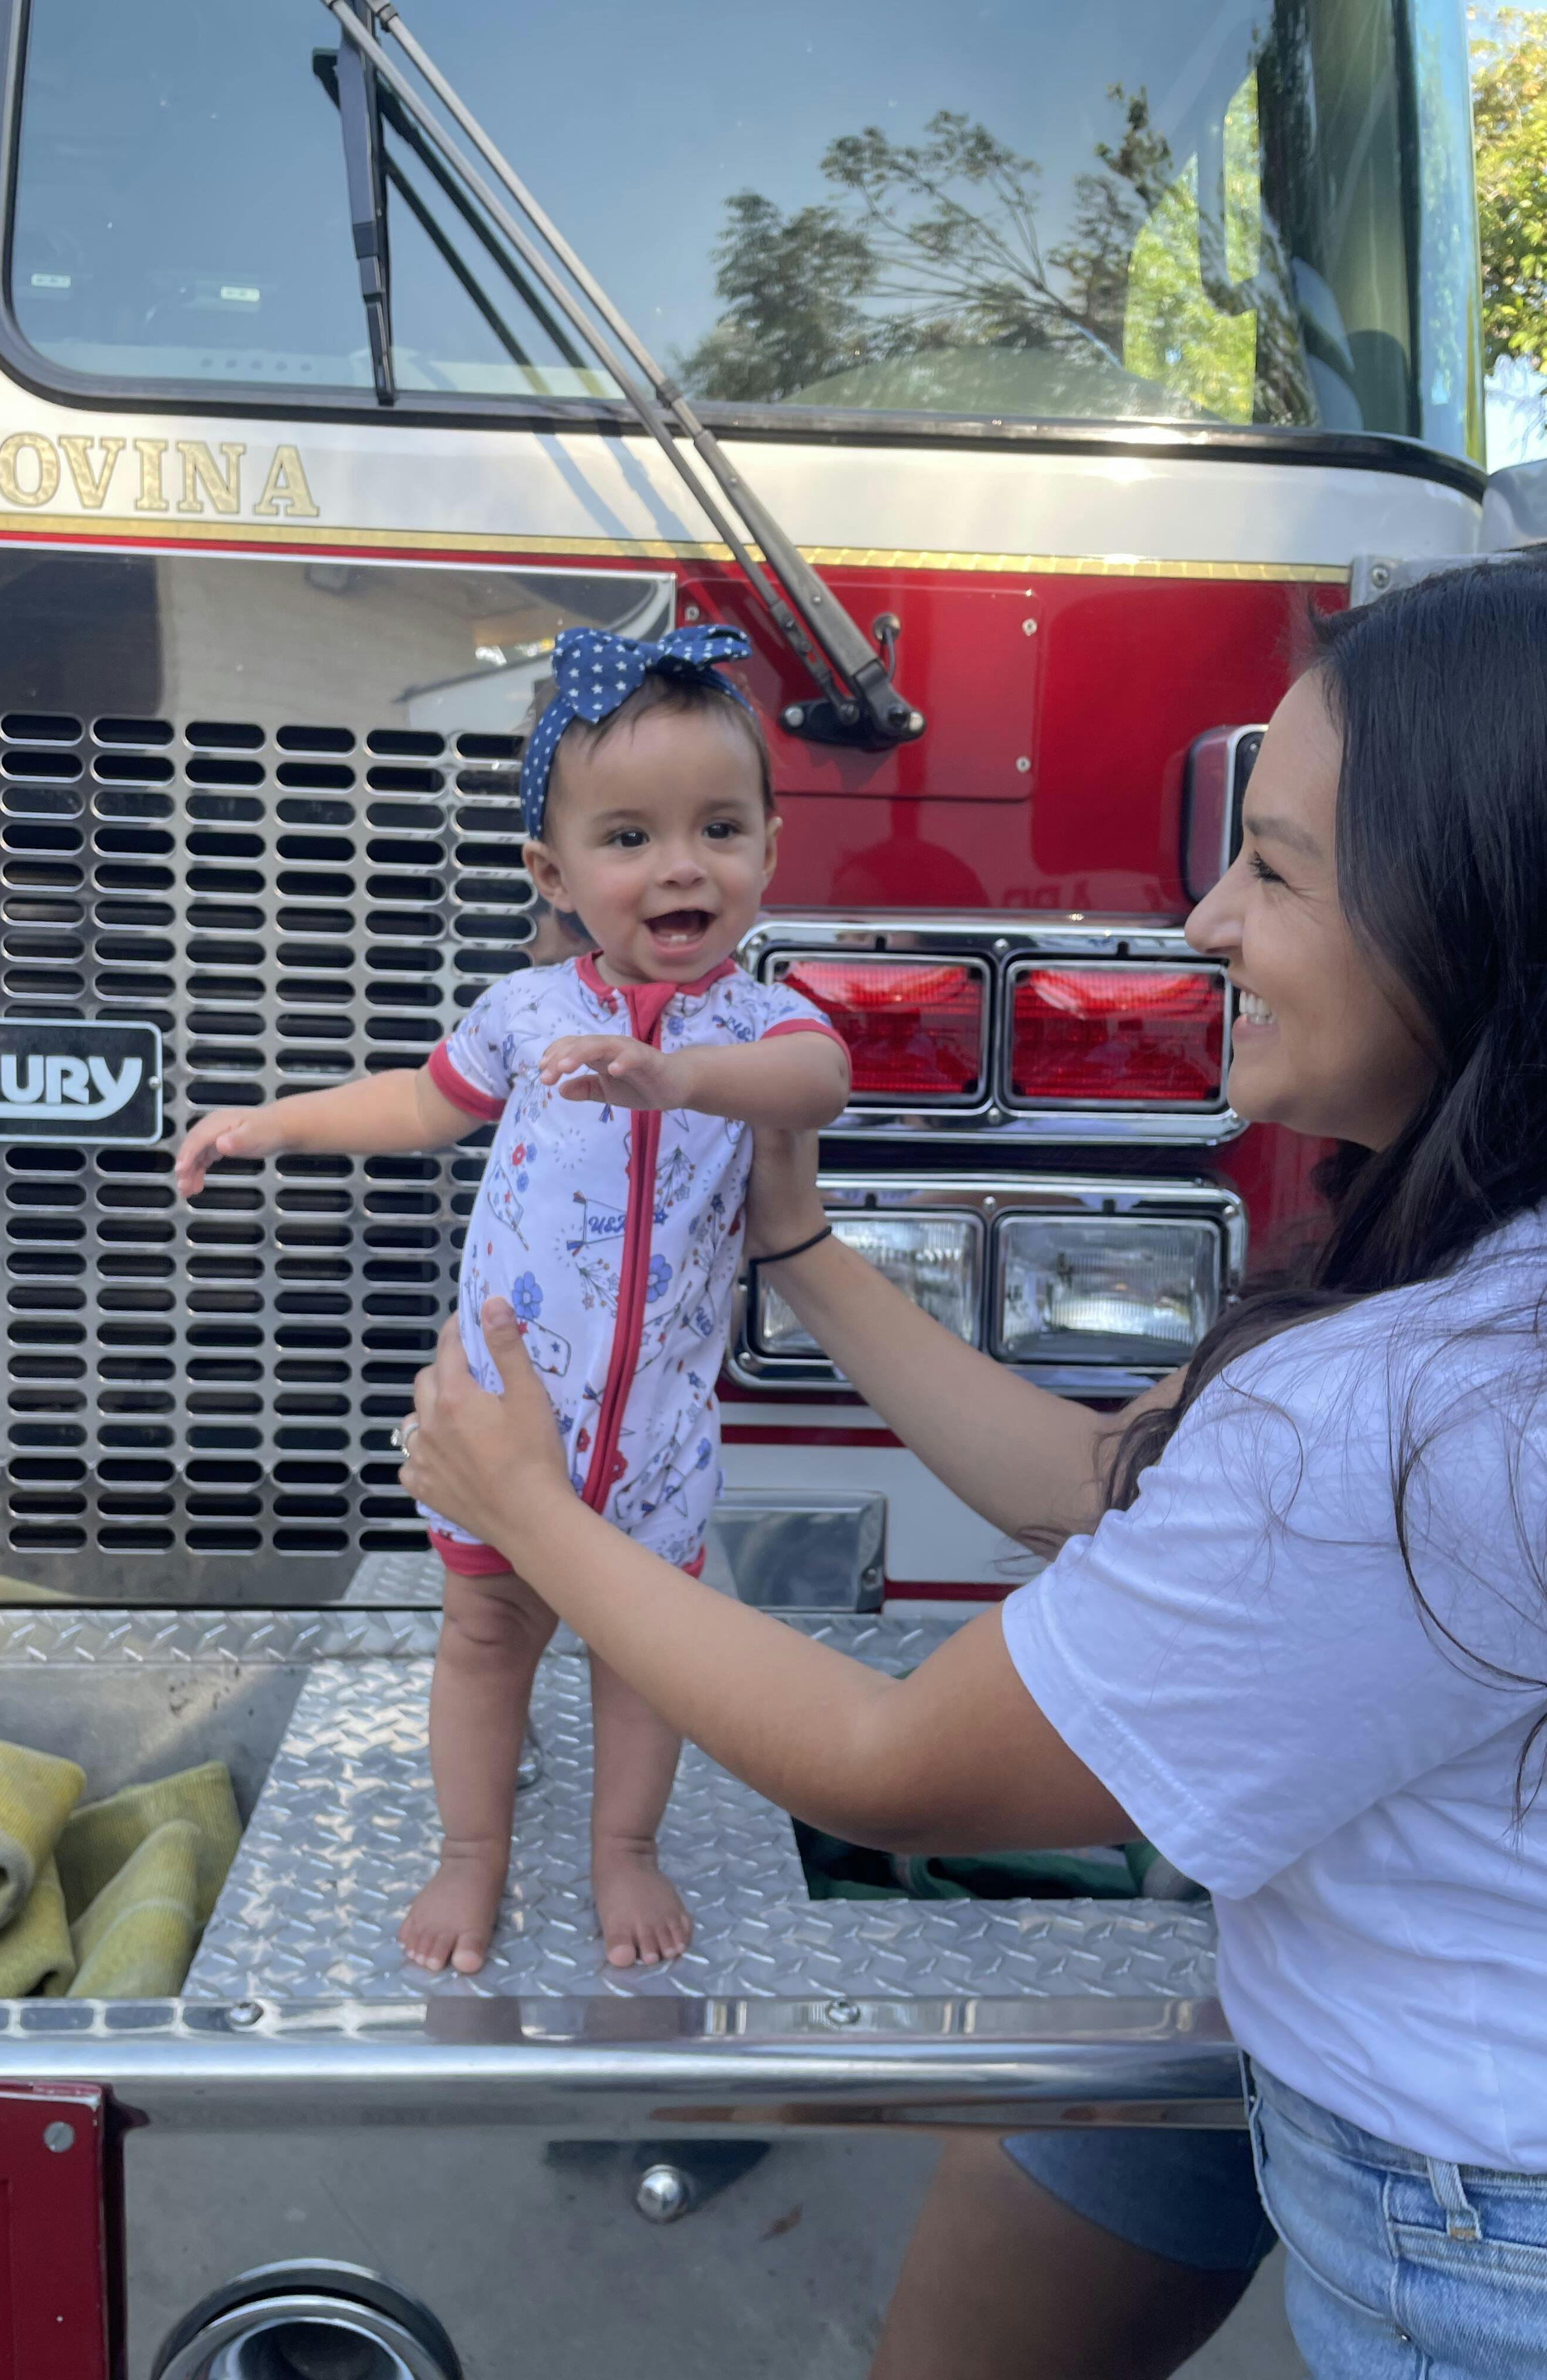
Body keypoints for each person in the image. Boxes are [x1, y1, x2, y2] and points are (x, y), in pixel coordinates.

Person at [398, 561, 1547, 2378]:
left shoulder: (1421, 1416)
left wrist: (524, 1505)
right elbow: (1101, 1485)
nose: (1205, 922)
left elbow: (897, 1769)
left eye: (1274, 871)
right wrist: (800, 1250)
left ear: (1480, 920)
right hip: (1337, 2037)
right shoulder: (1478, 1300)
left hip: (1469, 2230)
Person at [176, 624, 849, 1976]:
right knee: (484, 1639)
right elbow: (420, 1103)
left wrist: (680, 1080)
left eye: (720, 829)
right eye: (630, 837)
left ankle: (625, 1850)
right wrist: (273, 1123)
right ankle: (471, 1852)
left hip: (655, 1444)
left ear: (771, 851)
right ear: (554, 872)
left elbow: (820, 1083)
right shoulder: (528, 1012)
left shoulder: (755, 1024)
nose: (682, 865)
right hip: (503, 1421)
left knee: (646, 1658)